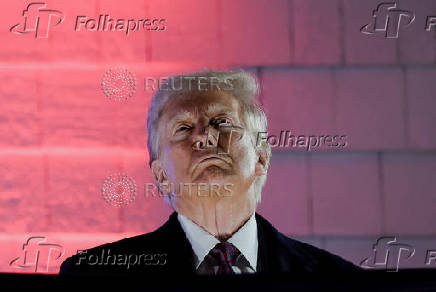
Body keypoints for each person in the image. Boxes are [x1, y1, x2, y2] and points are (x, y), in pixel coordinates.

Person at [60, 71, 361, 276]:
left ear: (260, 156)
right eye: (183, 128)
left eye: (222, 122)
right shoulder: (94, 276)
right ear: (161, 176)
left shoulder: (339, 280)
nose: (204, 138)